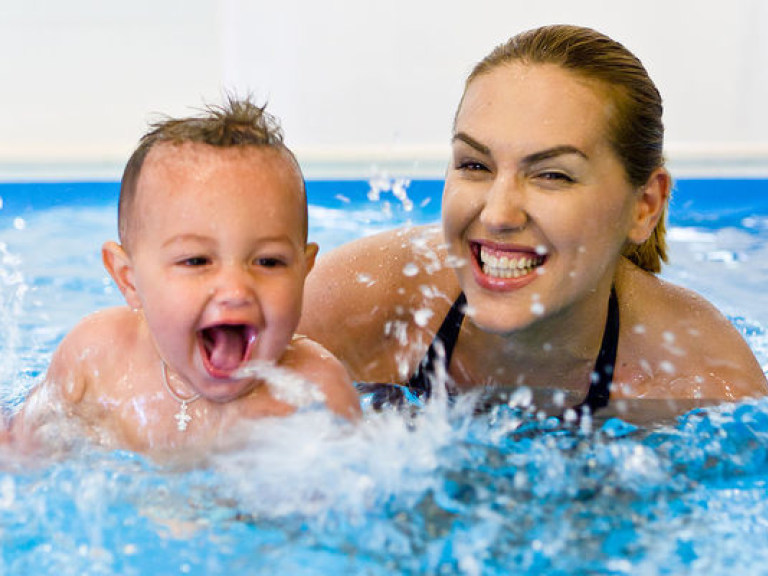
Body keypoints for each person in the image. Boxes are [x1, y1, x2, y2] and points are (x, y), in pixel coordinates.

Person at [298, 25, 767, 423]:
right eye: (475, 165)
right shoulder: (361, 307)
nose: (498, 215)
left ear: (644, 206)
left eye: (551, 175)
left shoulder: (705, 387)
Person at [10, 97, 361, 454]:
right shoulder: (96, 356)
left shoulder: (314, 395)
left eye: (268, 262)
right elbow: (22, 454)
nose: (236, 290)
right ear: (129, 279)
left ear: (303, 271)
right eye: (197, 261)